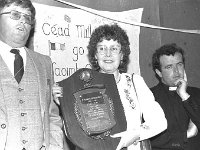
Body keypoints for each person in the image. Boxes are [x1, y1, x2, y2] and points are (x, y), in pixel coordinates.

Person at [86, 24, 167, 150]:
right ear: (95, 55)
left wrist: (134, 135)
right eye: (102, 48)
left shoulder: (135, 82)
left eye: (114, 49)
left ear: (122, 55)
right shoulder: (85, 87)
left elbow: (160, 122)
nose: (108, 54)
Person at [0, 0, 63, 149]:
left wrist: (53, 146)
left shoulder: (44, 63)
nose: (22, 21)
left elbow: (52, 115)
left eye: (27, 18)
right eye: (15, 14)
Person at [150, 43, 200, 150]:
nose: (176, 71)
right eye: (169, 67)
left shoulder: (197, 94)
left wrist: (185, 96)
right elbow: (150, 139)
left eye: (179, 64)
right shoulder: (149, 96)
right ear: (159, 72)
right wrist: (185, 135)